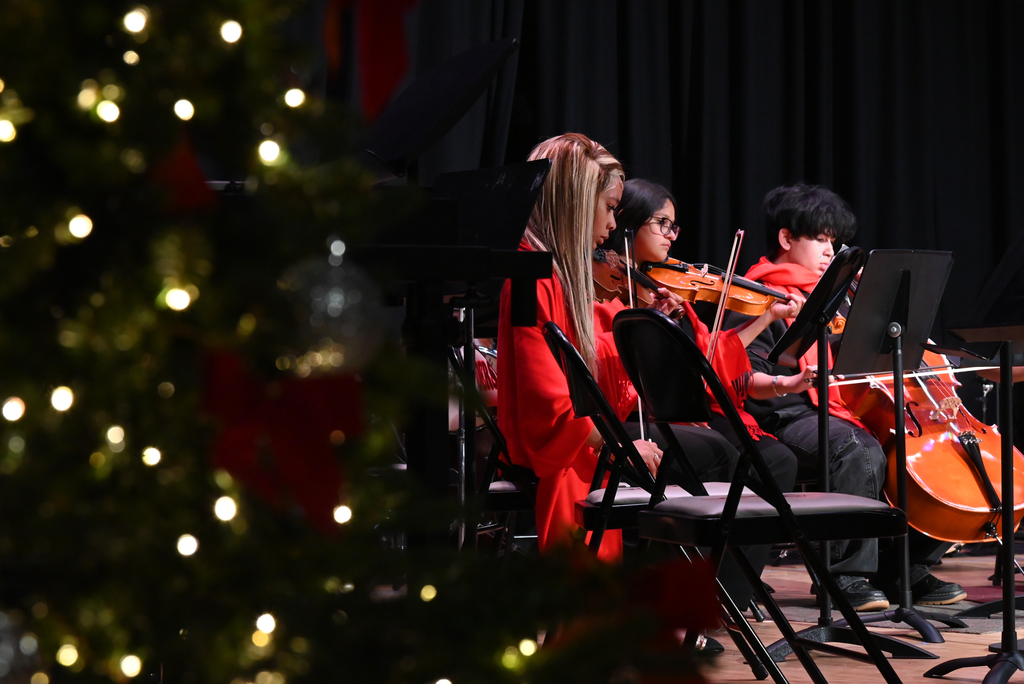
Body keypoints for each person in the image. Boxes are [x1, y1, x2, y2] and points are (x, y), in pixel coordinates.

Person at [727, 182, 966, 610]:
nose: (829, 250)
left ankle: (903, 567)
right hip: (783, 411)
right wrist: (794, 379)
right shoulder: (755, 295)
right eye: (820, 238)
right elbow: (747, 372)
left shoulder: (840, 295)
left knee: (925, 449)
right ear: (786, 238)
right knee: (858, 449)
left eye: (834, 241)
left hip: (840, 407)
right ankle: (845, 578)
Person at [496, 133, 670, 563]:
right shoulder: (531, 276)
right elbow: (548, 408)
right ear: (573, 202)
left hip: (577, 438)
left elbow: (586, 365)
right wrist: (625, 446)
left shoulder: (552, 276)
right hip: (555, 449)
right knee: (702, 458)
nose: (614, 227)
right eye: (610, 208)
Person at [597, 178, 800, 494]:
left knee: (773, 460)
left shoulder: (665, 293)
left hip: (683, 413)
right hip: (637, 414)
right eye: (662, 223)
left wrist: (769, 316)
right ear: (628, 221)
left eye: (673, 226)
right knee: (739, 457)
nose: (670, 235)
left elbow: (710, 356)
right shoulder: (607, 295)